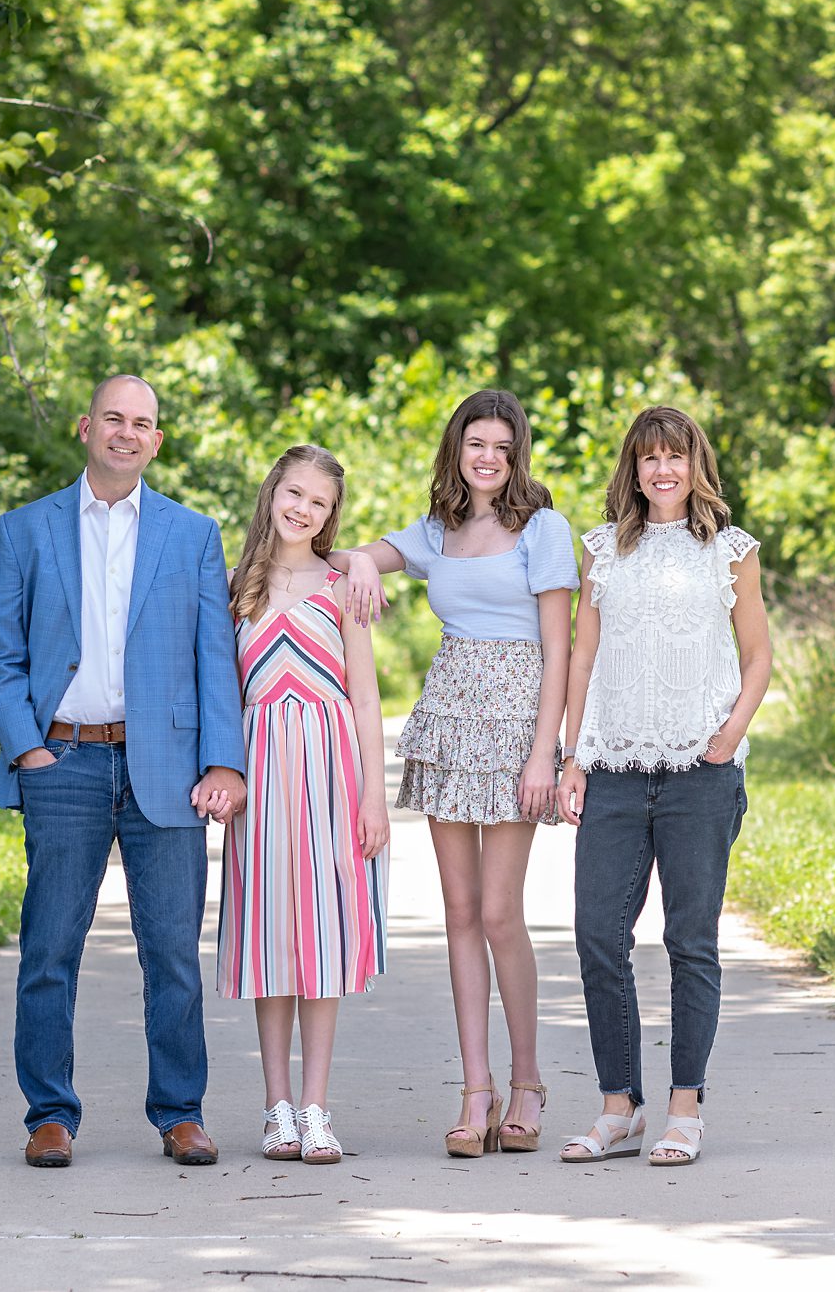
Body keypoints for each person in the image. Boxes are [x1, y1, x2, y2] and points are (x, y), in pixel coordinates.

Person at [0, 374, 247, 1170]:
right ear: (86, 426)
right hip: (61, 760)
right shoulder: (25, 529)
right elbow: (1, 655)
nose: (127, 433)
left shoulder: (192, 534)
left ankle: (181, 1111)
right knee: (49, 946)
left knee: (170, 950)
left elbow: (213, 658)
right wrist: (29, 747)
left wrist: (224, 761)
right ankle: (50, 1115)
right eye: (114, 419)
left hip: (163, 764)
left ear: (157, 440)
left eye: (144, 423)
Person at [336, 388, 577, 1157]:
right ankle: (477, 1089)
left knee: (503, 912)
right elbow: (357, 553)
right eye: (477, 442)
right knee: (460, 911)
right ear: (457, 447)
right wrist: (363, 568)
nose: (489, 457)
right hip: (447, 717)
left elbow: (560, 649)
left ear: (518, 455)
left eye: (503, 446)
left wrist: (546, 751)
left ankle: (528, 1081)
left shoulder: (543, 529)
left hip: (514, 728)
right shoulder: (437, 529)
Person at [555, 405, 772, 1168]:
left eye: (674, 457)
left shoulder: (731, 553)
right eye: (648, 458)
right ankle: (621, 1106)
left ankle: (685, 1108)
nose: (662, 470)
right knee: (597, 935)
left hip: (699, 774)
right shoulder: (603, 551)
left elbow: (757, 659)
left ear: (695, 464)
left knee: (690, 941)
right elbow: (583, 657)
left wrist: (728, 736)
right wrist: (573, 755)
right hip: (614, 766)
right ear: (634, 469)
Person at [218, 446, 391, 1166]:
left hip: (330, 771)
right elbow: (222, 691)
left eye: (318, 502)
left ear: (330, 516)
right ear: (273, 492)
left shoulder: (341, 584)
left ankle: (318, 1107)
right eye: (294, 493)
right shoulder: (235, 585)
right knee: (272, 938)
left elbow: (366, 696)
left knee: (322, 940)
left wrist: (376, 794)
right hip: (261, 777)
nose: (303, 509)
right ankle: (276, 1107)